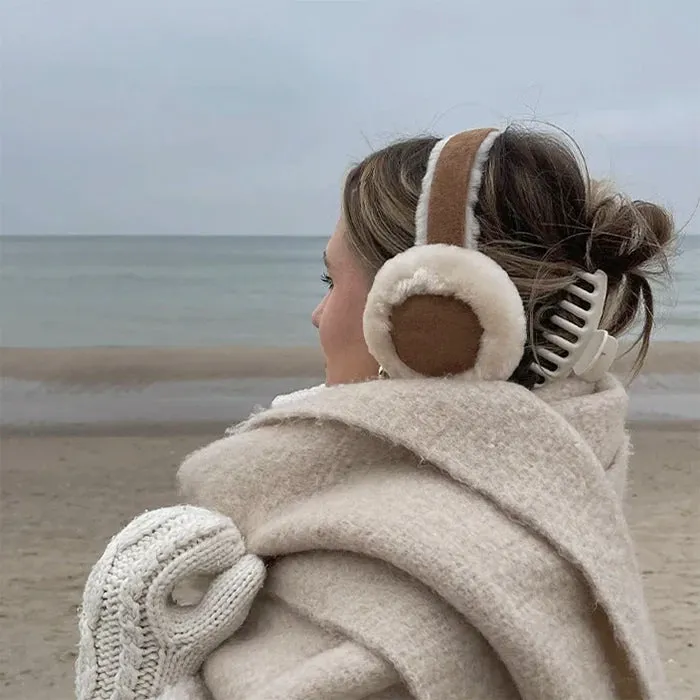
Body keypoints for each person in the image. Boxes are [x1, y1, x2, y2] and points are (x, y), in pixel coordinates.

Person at [77, 125, 676, 700]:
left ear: (436, 322)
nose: (317, 314)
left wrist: (126, 680)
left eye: (330, 279)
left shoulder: (389, 632)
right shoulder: (561, 489)